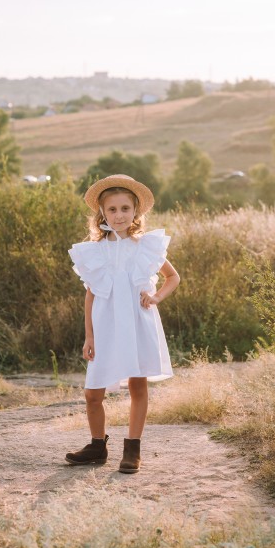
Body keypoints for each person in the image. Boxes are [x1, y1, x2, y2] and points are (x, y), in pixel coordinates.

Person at [65, 174, 180, 473]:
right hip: (105, 328)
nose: (119, 215)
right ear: (102, 213)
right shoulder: (95, 251)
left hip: (138, 325)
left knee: (137, 385)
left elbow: (173, 278)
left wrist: (155, 298)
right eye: (112, 209)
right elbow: (91, 296)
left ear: (136, 212)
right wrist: (89, 336)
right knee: (93, 393)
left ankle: (132, 449)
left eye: (125, 209)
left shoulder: (145, 247)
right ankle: (96, 446)